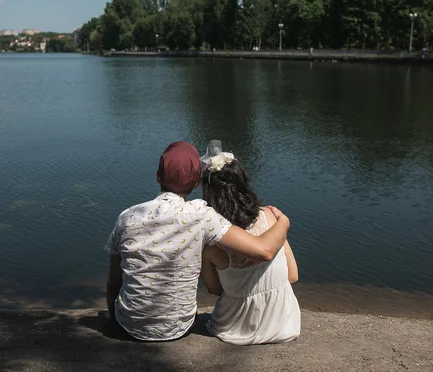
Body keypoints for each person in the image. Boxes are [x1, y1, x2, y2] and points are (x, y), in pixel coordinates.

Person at [105, 141, 291, 342]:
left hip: (129, 324)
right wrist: (284, 222)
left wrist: (114, 317)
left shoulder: (127, 216)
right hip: (178, 327)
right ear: (196, 184)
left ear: (158, 176)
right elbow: (264, 250)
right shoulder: (202, 215)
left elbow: (113, 283)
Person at [200, 140, 300, 345]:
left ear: (209, 191)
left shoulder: (210, 241)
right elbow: (292, 275)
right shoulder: (273, 217)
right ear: (243, 182)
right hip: (285, 323)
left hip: (236, 325)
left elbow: (213, 289)